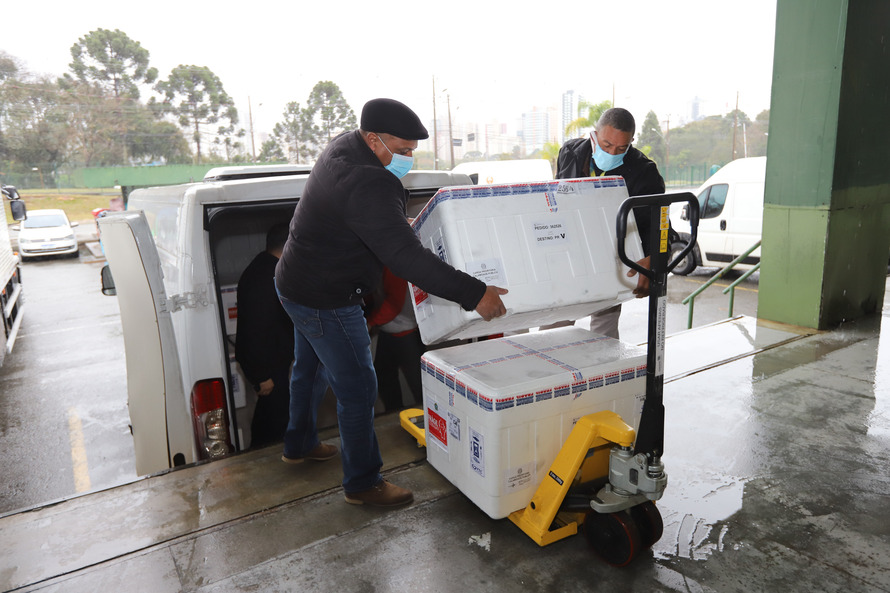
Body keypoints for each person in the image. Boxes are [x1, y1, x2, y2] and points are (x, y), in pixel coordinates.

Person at [274, 98, 508, 508]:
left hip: (294, 282)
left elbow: (363, 217)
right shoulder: (370, 181)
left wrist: (396, 224)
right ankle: (363, 483)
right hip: (326, 299)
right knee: (359, 386)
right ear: (372, 139)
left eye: (412, 151)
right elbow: (405, 259)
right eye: (401, 151)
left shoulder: (341, 148)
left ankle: (298, 445)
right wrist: (475, 293)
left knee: (308, 369)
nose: (407, 159)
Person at [550, 107, 670, 339]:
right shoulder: (570, 152)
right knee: (554, 328)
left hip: (611, 255)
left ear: (631, 142)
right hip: (571, 254)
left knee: (604, 331)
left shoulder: (645, 173)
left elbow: (661, 227)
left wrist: (656, 257)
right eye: (606, 145)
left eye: (621, 148)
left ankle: (602, 371)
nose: (613, 153)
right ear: (594, 135)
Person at [235, 223, 295, 448]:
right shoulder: (266, 278)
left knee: (271, 416)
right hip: (268, 367)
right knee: (274, 424)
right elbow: (255, 330)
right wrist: (260, 375)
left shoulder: (266, 267)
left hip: (273, 363)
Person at [366, 268, 425, 413]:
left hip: (407, 333)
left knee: (421, 387)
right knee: (384, 377)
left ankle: (425, 427)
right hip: (389, 331)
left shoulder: (391, 266)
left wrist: (370, 322)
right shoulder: (378, 262)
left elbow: (394, 304)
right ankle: (397, 419)